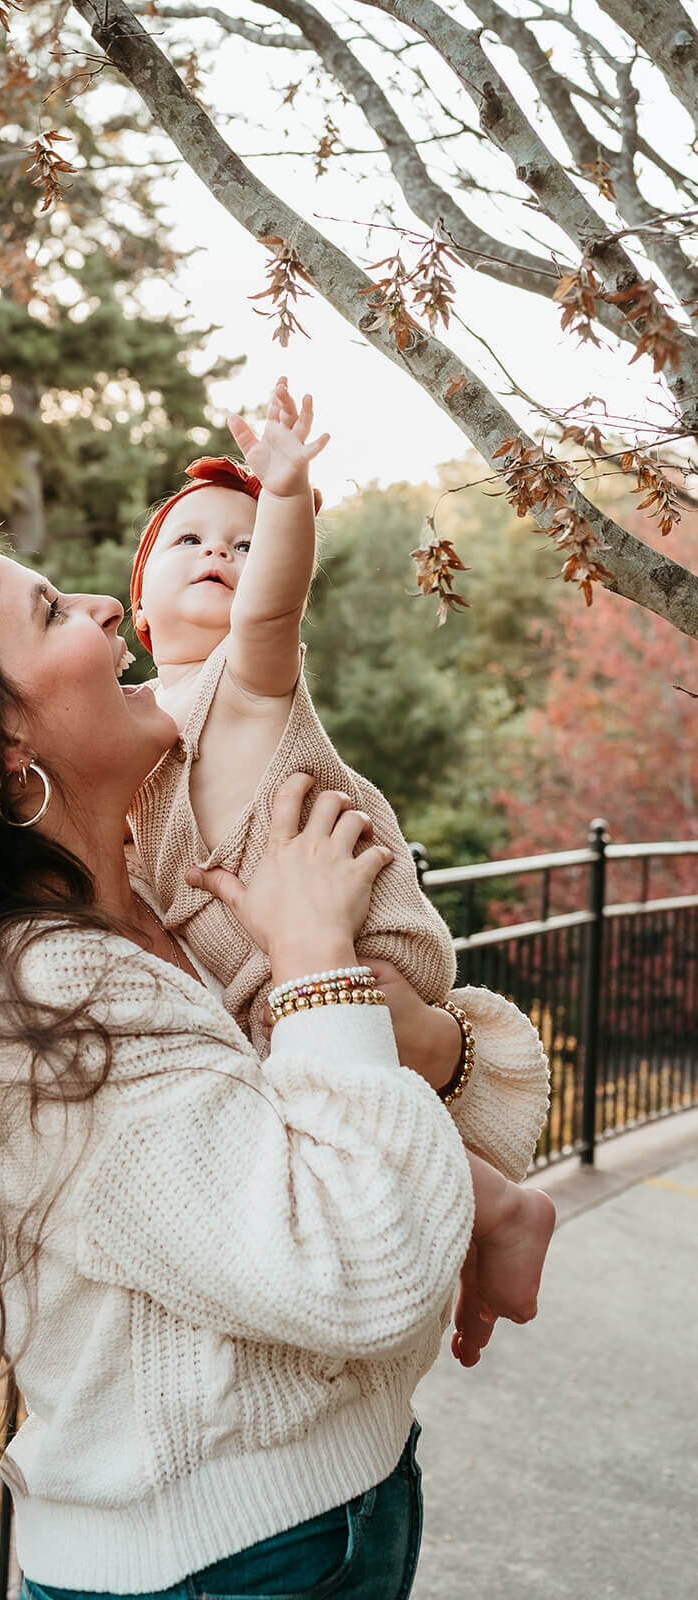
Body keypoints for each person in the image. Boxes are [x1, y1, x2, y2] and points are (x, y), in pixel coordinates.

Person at [0, 535, 550, 1599]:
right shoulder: (37, 1009)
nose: (104, 607)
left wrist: (408, 1029)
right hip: (227, 1562)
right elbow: (364, 1267)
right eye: (48, 611)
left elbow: (397, 1136)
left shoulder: (141, 916)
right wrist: (313, 966)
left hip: (326, 1509)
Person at [128, 378, 555, 1363]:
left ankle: (497, 1211)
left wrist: (284, 497)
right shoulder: (139, 714)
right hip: (262, 959)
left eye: (239, 542)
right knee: (299, 1097)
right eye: (188, 541)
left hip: (351, 935)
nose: (220, 555)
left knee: (301, 1058)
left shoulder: (238, 680)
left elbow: (272, 613)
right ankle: (464, 1226)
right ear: (139, 609)